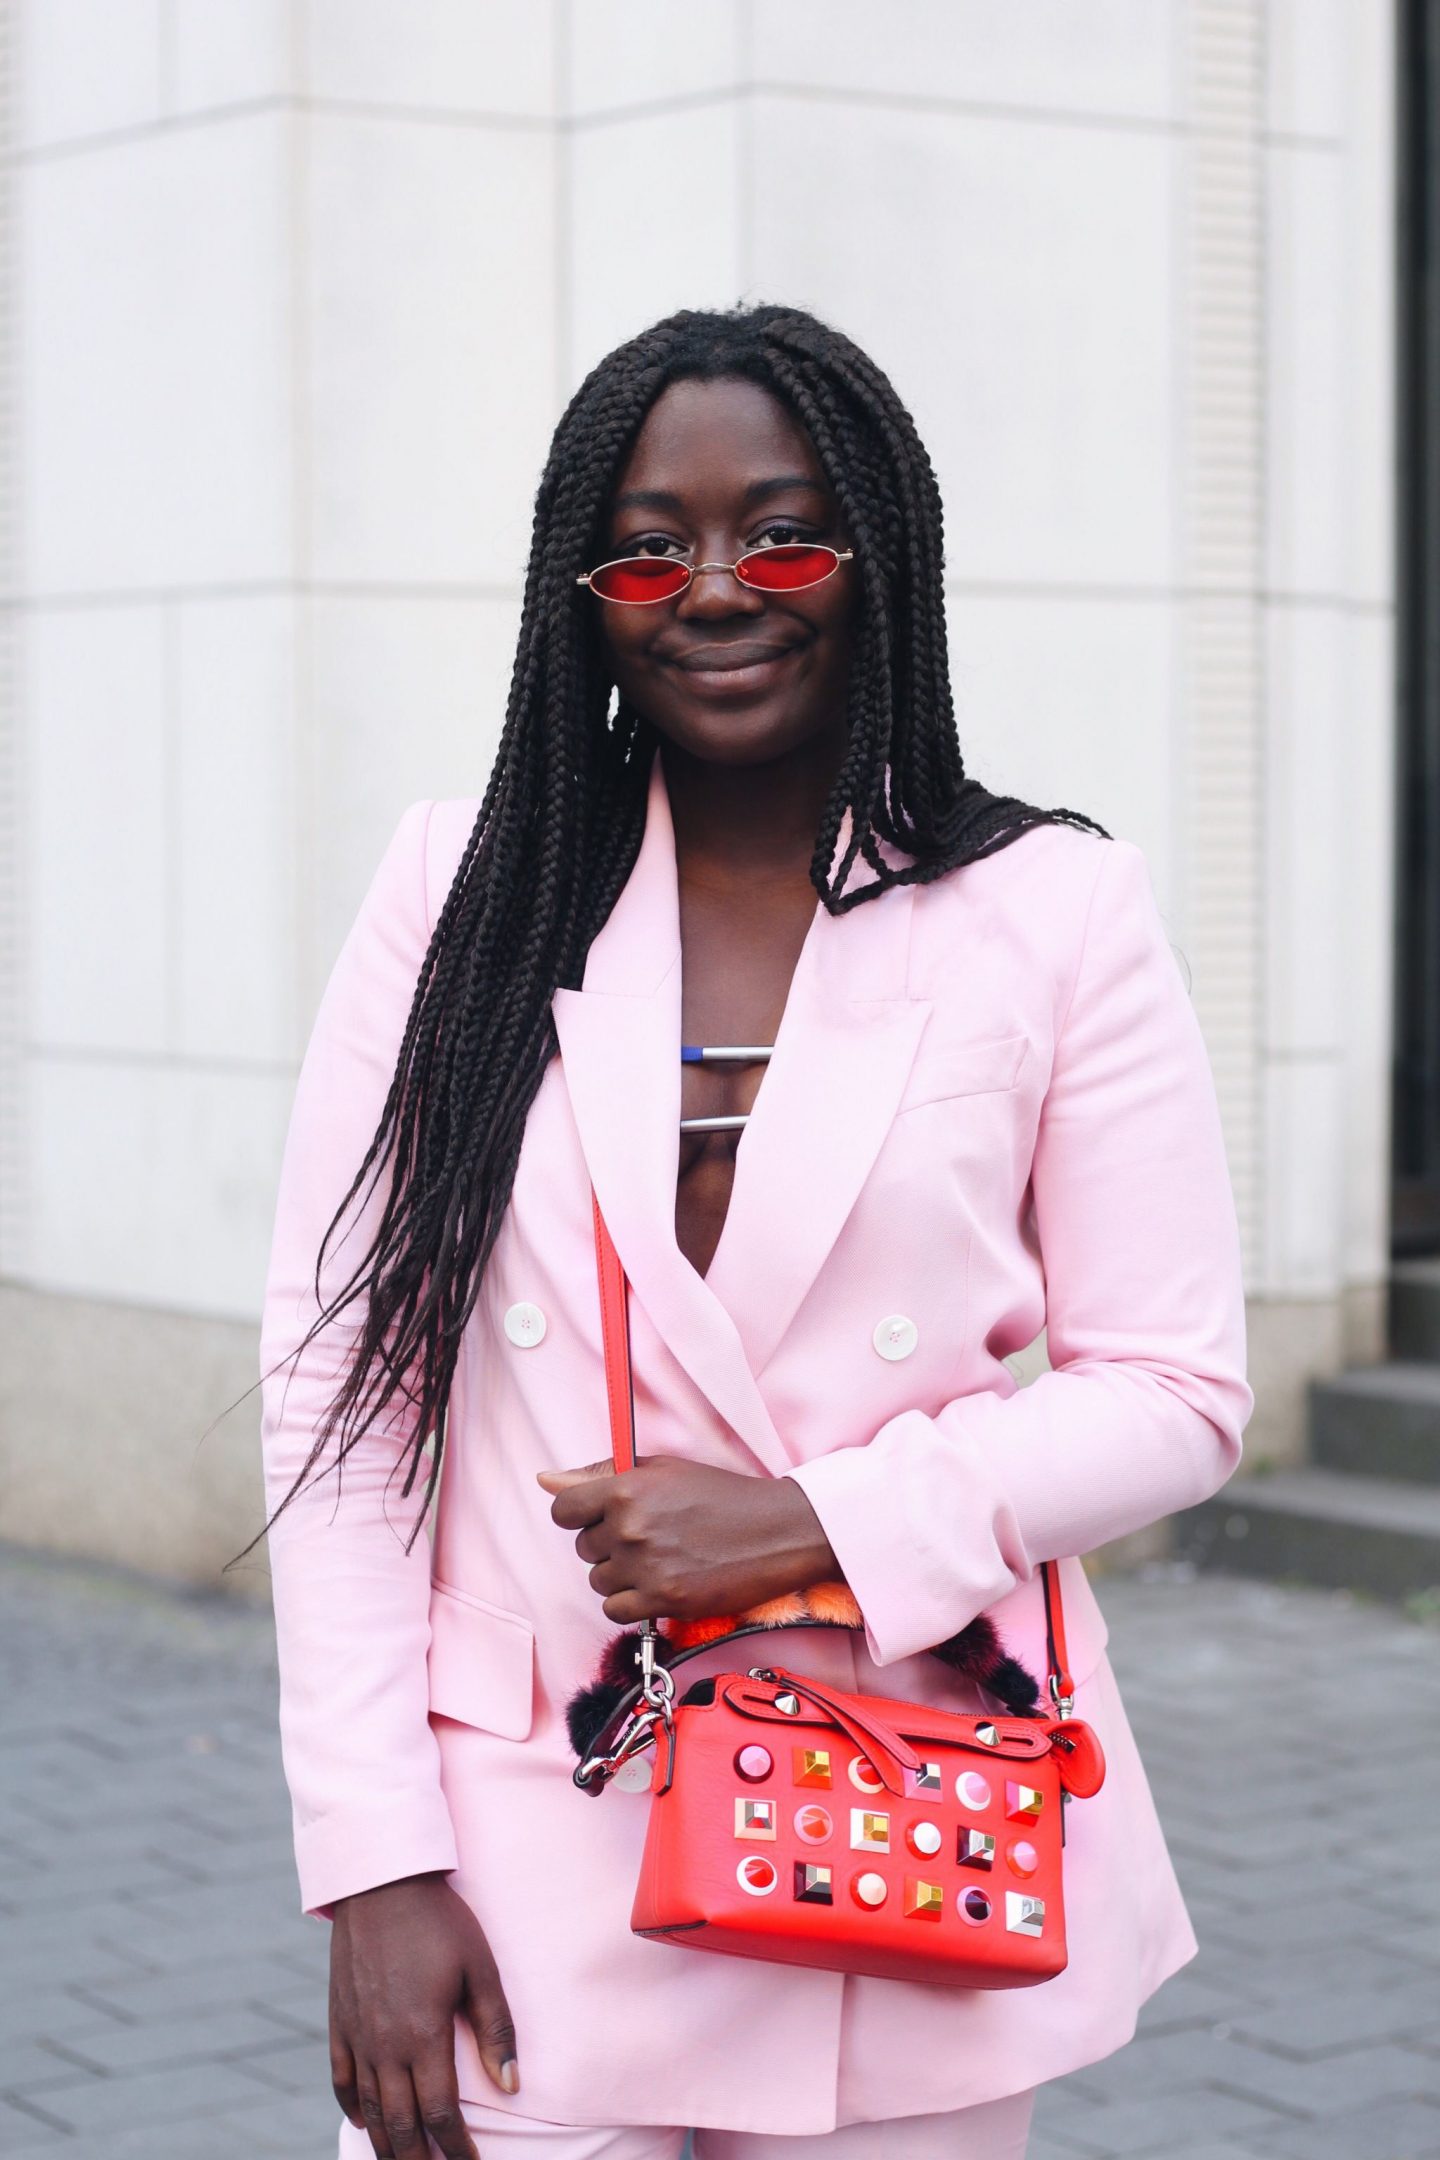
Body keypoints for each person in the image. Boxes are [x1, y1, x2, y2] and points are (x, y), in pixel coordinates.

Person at [255, 301, 1253, 2160]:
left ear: (877, 564)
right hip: (529, 1839)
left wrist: (808, 1528)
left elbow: (1176, 1387)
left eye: (783, 534)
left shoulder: (1052, 911)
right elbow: (343, 1393)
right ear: (584, 593)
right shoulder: (455, 892)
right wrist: (369, 1861)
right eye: (647, 547)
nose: (718, 587)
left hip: (914, 1815)